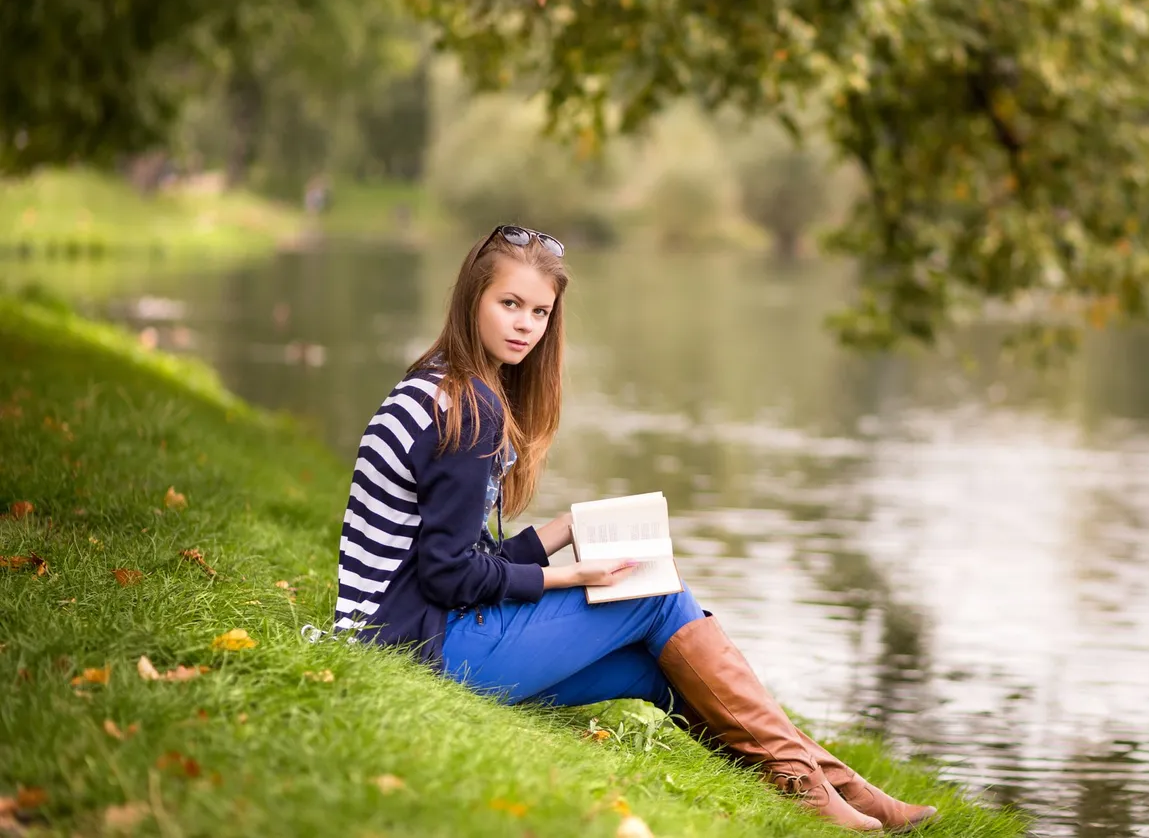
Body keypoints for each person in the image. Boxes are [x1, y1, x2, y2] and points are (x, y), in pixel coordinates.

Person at [333, 224, 937, 832]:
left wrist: (565, 528)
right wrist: (570, 576)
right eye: (509, 303)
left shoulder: (441, 383)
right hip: (416, 648)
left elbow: (460, 556)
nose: (525, 326)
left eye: (540, 312)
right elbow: (448, 575)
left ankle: (832, 788)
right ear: (473, 299)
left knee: (663, 667)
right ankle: (815, 791)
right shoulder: (470, 409)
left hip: (402, 635)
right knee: (655, 594)